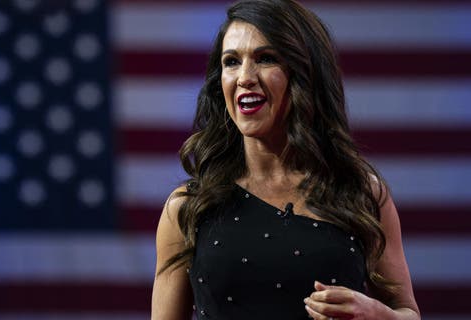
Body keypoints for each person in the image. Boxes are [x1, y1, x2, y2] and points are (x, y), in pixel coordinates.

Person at [151, 0, 420, 319]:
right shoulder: (187, 207)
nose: (245, 77)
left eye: (265, 59)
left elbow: (408, 312)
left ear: (305, 74)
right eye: (232, 61)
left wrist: (379, 315)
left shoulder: (362, 194)